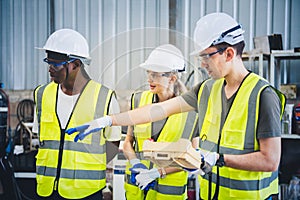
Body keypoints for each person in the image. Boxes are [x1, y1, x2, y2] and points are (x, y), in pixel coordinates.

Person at [66, 12, 286, 199]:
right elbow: (156, 111)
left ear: (229, 53)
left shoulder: (263, 95)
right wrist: (108, 120)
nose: (202, 64)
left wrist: (218, 159)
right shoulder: (207, 89)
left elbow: (270, 160)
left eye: (207, 57)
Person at [33, 28, 121, 199]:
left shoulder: (105, 97)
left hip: (86, 191)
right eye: (48, 62)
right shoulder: (42, 94)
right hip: (47, 189)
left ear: (76, 64)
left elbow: (113, 145)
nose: (50, 69)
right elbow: (41, 139)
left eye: (55, 64)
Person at [122, 44, 198, 199]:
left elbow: (193, 158)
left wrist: (157, 172)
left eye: (155, 75)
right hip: (136, 192)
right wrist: (135, 163)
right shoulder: (138, 100)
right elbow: (127, 142)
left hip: (167, 194)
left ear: (172, 78)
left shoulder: (191, 111)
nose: (149, 79)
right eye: (148, 73)